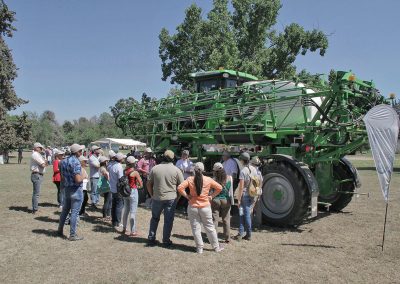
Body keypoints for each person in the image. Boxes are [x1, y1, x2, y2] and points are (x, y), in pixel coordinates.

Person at [177, 162, 224, 254]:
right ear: (203, 170)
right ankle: (216, 247)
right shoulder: (208, 179)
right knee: (210, 227)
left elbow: (179, 187)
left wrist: (187, 196)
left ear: (194, 170)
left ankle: (199, 248)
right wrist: (211, 196)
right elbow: (219, 188)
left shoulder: (190, 179)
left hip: (193, 207)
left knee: (196, 228)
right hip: (205, 207)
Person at [147, 150, 183, 247]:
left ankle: (151, 238)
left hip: (157, 197)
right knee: (168, 220)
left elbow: (148, 184)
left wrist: (152, 195)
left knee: (154, 218)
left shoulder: (155, 168)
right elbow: (181, 186)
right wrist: (178, 198)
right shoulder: (176, 170)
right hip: (171, 198)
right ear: (173, 158)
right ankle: (166, 240)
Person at [57, 144, 85, 241]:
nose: (81, 152)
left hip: (67, 189)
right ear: (76, 152)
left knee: (65, 211)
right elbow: (77, 179)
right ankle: (72, 235)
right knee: (74, 212)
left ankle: (59, 230)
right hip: (76, 189)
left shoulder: (63, 162)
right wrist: (84, 177)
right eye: (80, 151)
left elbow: (62, 177)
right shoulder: (76, 162)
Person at [211, 162, 234, 243]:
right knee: (226, 219)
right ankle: (227, 238)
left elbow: (211, 191)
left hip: (215, 200)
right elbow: (231, 192)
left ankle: (214, 238)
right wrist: (232, 202)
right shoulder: (230, 178)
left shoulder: (213, 179)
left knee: (214, 220)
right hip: (226, 200)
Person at [236, 152, 256, 241]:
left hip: (244, 195)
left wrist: (239, 199)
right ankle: (241, 232)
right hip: (252, 193)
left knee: (245, 214)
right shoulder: (254, 169)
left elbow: (241, 187)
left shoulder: (243, 171)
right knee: (244, 213)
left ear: (242, 160)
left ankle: (248, 234)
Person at [122, 156, 143, 236]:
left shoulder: (125, 171)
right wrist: (138, 186)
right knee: (133, 212)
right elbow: (141, 184)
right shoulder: (135, 172)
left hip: (125, 192)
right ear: (133, 163)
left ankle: (124, 228)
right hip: (133, 191)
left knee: (126, 210)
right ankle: (133, 231)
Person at [108, 152, 126, 231]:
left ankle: (114, 221)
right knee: (119, 205)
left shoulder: (111, 165)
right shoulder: (119, 166)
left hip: (112, 187)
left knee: (114, 205)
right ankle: (118, 222)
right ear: (120, 159)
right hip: (118, 188)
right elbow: (121, 179)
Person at [30, 142, 47, 214]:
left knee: (37, 193)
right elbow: (43, 164)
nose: (41, 149)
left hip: (38, 174)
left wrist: (45, 163)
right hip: (36, 174)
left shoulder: (38, 154)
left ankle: (35, 208)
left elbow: (45, 164)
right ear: (36, 148)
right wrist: (45, 162)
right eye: (40, 148)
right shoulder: (35, 154)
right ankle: (35, 209)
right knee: (36, 193)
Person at [250, 156, 263, 228]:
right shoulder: (259, 171)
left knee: (251, 207)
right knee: (258, 208)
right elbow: (261, 181)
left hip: (253, 191)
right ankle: (258, 223)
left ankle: (250, 223)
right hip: (258, 191)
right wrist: (259, 189)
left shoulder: (252, 171)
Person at [98, 156, 112, 221]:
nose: (107, 162)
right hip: (107, 186)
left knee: (107, 200)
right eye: (106, 161)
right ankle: (105, 215)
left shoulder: (101, 168)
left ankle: (107, 215)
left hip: (104, 186)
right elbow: (107, 176)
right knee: (107, 201)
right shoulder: (103, 169)